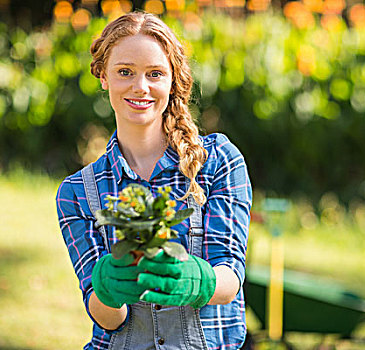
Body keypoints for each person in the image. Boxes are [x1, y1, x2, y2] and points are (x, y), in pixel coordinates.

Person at [56, 11, 252, 350]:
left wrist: (199, 280)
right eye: (125, 72)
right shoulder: (78, 193)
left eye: (155, 73)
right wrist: (106, 286)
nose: (140, 87)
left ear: (172, 80)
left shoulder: (217, 161)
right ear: (103, 76)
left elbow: (230, 277)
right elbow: (108, 318)